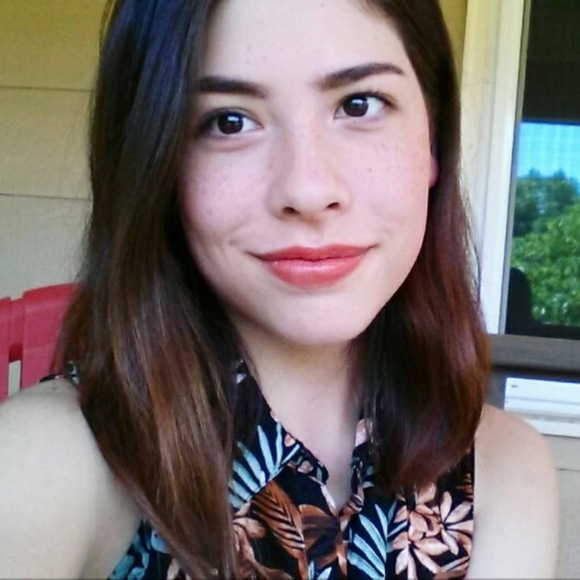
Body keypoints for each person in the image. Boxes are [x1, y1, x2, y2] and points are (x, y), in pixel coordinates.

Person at [0, 0, 558, 578]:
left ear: (434, 142)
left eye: (359, 104)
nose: (307, 190)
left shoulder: (506, 471)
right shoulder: (42, 463)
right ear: (154, 162)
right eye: (229, 121)